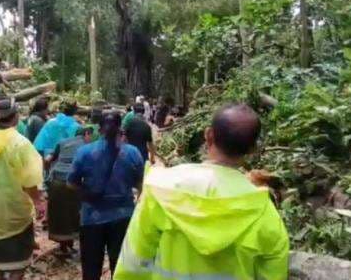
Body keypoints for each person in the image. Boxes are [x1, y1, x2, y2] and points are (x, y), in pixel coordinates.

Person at [114, 104, 289, 280]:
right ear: (253, 149)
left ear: (208, 135)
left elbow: (133, 262)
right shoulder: (265, 214)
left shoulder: (162, 189)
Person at [0, 97, 44, 280]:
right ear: (16, 116)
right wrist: (38, 202)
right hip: (12, 206)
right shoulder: (20, 143)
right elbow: (30, 179)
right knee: (18, 263)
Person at [67, 112, 144, 280]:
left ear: (99, 129)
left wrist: (86, 195)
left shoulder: (84, 152)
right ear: (120, 129)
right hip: (123, 217)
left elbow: (71, 182)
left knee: (91, 268)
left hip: (91, 218)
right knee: (120, 266)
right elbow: (140, 185)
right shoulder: (133, 152)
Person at [44, 127, 94, 255]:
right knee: (74, 213)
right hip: (74, 183)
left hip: (56, 182)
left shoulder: (63, 142)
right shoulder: (87, 147)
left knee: (60, 214)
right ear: (86, 134)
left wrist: (47, 174)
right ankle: (73, 245)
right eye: (91, 136)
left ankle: (63, 247)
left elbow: (47, 159)